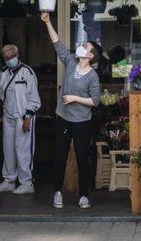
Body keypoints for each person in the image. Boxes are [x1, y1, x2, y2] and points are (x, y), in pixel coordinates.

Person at [43, 11, 101, 208]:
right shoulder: (70, 62)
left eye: (86, 46)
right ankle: (57, 193)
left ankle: (84, 196)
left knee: (82, 159)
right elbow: (57, 43)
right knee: (60, 156)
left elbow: (95, 101)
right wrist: (48, 22)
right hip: (63, 118)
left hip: (82, 121)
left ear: (90, 56)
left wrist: (75, 98)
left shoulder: (92, 76)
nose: (82, 46)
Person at [0, 43, 41, 195]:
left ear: (17, 55)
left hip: (23, 117)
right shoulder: (4, 72)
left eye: (11, 56)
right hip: (8, 116)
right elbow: (3, 95)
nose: (9, 59)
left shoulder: (27, 72)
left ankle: (27, 183)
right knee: (8, 150)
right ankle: (9, 181)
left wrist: (28, 117)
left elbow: (34, 98)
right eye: (6, 58)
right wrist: (4, 113)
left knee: (23, 150)